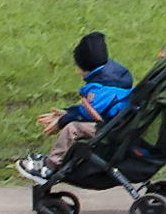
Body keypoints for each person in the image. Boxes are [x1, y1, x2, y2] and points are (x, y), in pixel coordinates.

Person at [16, 29, 135, 186]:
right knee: (74, 123)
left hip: (114, 130)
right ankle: (60, 161)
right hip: (119, 125)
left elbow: (87, 112)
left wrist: (63, 121)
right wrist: (66, 113)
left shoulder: (101, 88)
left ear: (83, 68)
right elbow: (91, 110)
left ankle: (50, 166)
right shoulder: (112, 80)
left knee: (73, 128)